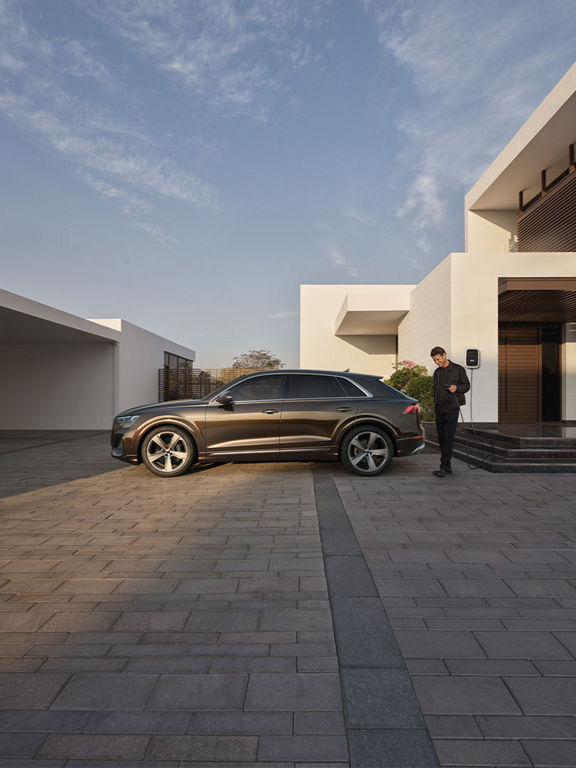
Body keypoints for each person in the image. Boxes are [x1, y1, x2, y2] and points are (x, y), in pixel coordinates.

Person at [430, 346, 470, 477]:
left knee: (448, 437)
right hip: (439, 408)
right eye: (435, 360)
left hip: (452, 407)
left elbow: (466, 386)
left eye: (438, 359)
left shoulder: (458, 369)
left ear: (444, 355)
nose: (437, 362)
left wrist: (456, 388)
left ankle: (444, 465)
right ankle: (447, 466)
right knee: (441, 438)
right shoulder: (437, 372)